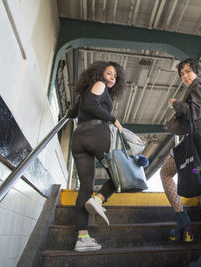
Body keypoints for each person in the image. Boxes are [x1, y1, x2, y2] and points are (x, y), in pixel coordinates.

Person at [161, 58, 201, 267]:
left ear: (197, 71)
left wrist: (176, 104)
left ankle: (183, 220)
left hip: (200, 142)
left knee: (168, 174)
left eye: (188, 71)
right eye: (182, 74)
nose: (185, 76)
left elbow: (194, 113)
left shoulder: (199, 84)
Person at [67, 61, 127, 252]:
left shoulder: (84, 93)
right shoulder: (100, 85)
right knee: (120, 176)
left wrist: (74, 109)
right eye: (109, 73)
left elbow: (72, 113)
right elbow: (93, 106)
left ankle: (82, 237)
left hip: (78, 139)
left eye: (115, 76)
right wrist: (114, 119)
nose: (112, 78)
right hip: (96, 133)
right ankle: (99, 199)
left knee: (85, 187)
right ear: (100, 73)